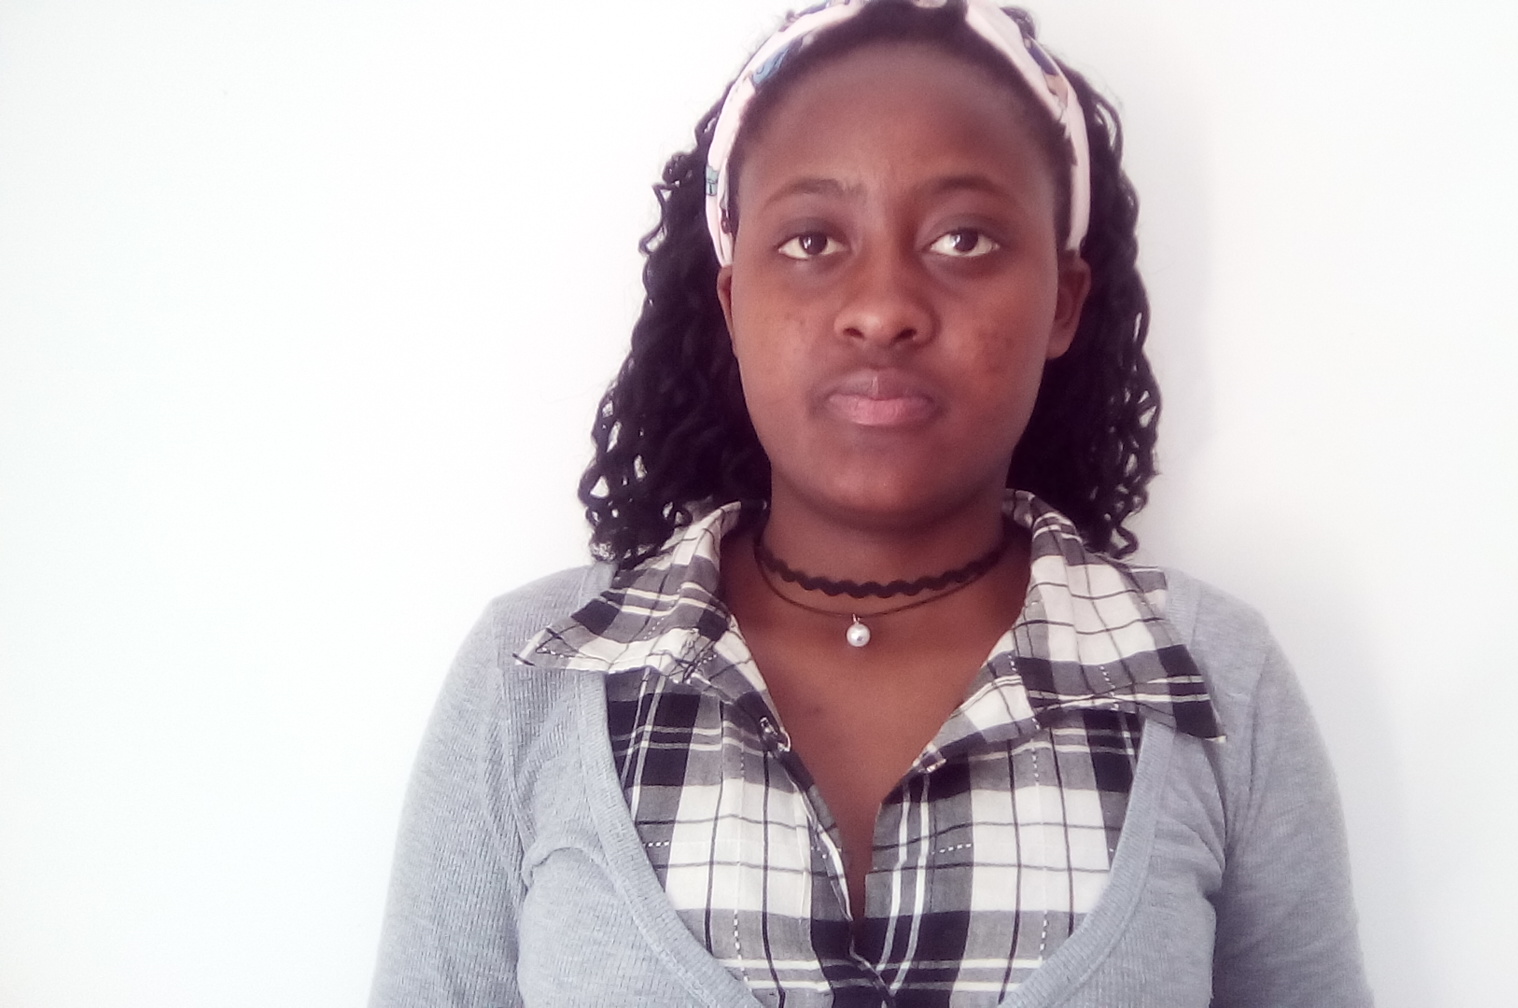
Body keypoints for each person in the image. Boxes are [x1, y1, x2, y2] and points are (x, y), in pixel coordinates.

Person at [371, 1, 1372, 1005]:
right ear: (733, 301)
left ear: (1063, 302)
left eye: (964, 238)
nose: (883, 308)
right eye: (811, 240)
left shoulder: (1215, 687)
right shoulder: (532, 680)